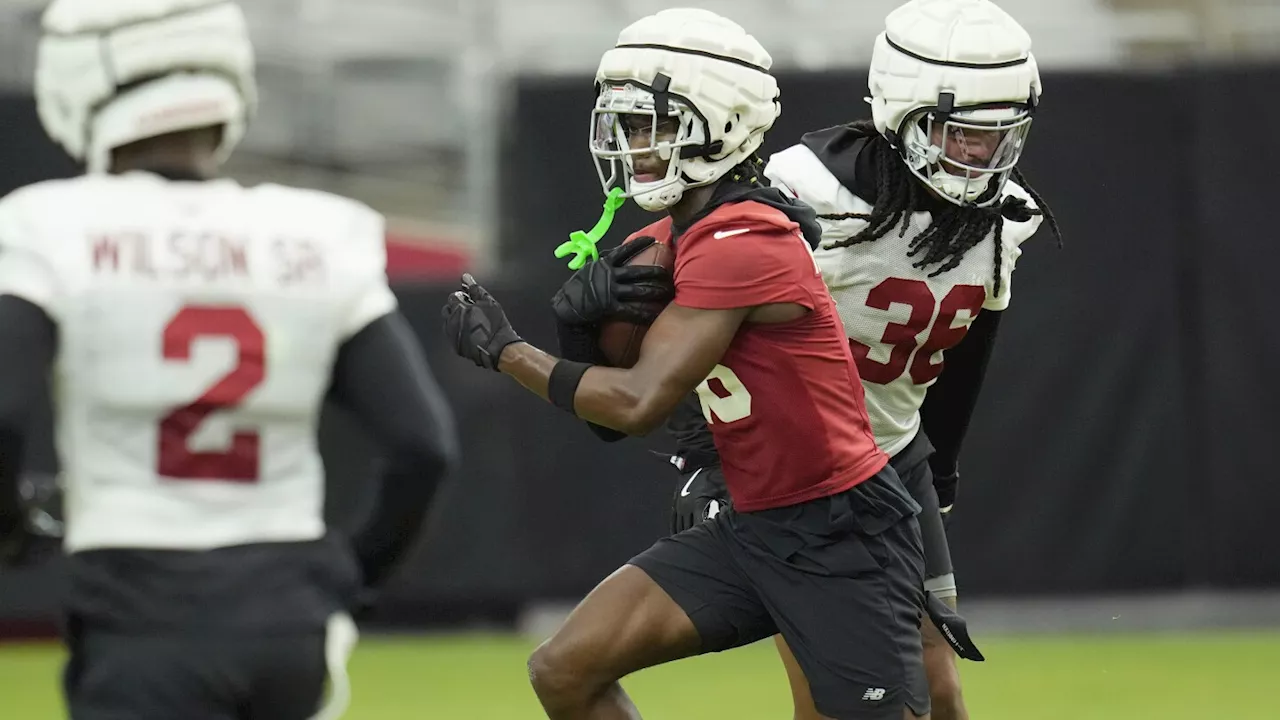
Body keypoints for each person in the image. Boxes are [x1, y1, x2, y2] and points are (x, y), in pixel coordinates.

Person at [553, 1, 1062, 719]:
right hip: (804, 473)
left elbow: (971, 341)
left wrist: (937, 476)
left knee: (938, 694)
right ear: (903, 111)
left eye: (995, 135)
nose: (978, 155)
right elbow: (695, 310)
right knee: (833, 703)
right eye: (959, 133)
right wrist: (710, 447)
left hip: (892, 459)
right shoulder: (800, 194)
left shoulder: (1002, 216)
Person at [444, 8, 931, 720]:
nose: (632, 145)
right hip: (755, 524)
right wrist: (579, 330)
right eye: (626, 126)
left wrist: (506, 351)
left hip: (841, 534)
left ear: (723, 122)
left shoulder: (744, 239)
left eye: (652, 125)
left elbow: (638, 402)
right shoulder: (678, 233)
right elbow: (611, 421)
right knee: (565, 670)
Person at [0, 1, 460, 718]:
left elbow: (3, 410)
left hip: (139, 607)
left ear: (76, 79)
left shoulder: (49, 224)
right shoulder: (317, 232)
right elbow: (422, 446)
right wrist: (345, 581)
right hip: (286, 620)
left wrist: (8, 523)